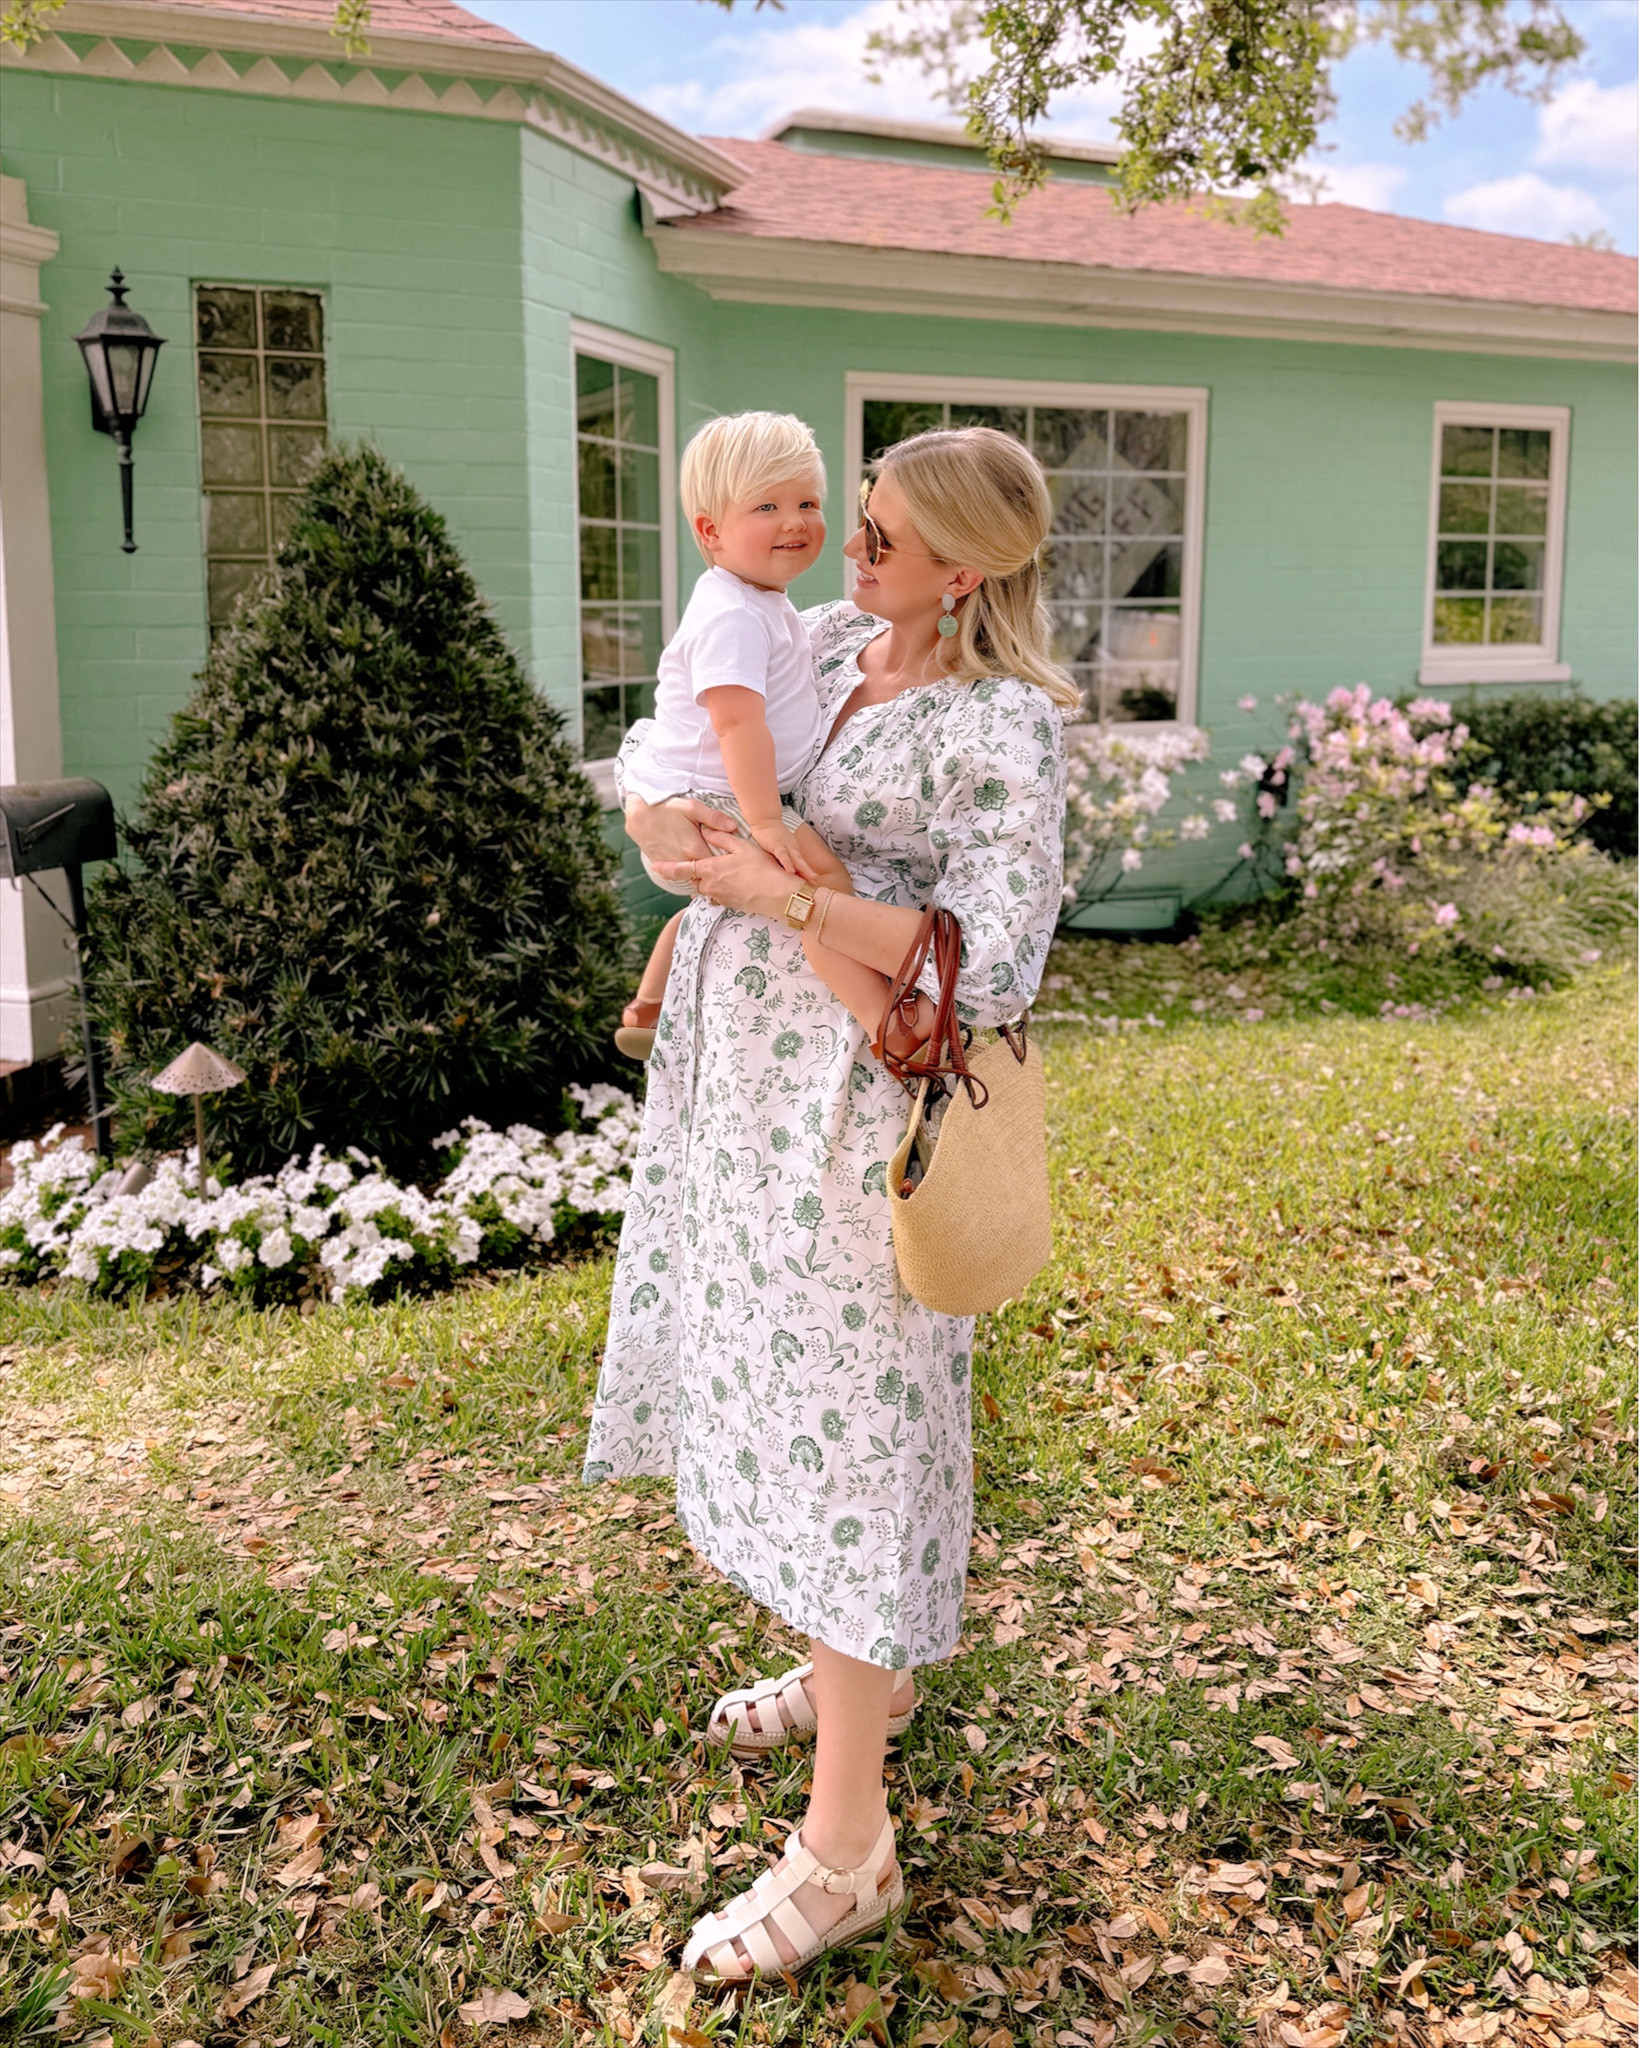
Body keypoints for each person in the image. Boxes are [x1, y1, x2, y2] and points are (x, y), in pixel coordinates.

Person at [584, 427, 1074, 1984]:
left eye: (877, 537)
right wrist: (658, 824)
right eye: (849, 521)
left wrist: (783, 893)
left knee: (858, 1428)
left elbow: (985, 967)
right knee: (780, 1396)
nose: (841, 549)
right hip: (742, 1100)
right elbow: (668, 741)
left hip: (855, 1119)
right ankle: (854, 1672)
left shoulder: (998, 725)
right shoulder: (816, 641)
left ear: (965, 569)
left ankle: (846, 1846)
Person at [614, 410, 879, 1062]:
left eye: (807, 503)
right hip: (719, 798)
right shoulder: (731, 614)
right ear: (711, 531)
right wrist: (765, 822)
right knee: (823, 887)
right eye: (767, 506)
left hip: (712, 792)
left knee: (729, 906)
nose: (795, 522)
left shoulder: (760, 600)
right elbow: (736, 724)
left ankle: (647, 1008)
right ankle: (886, 1022)